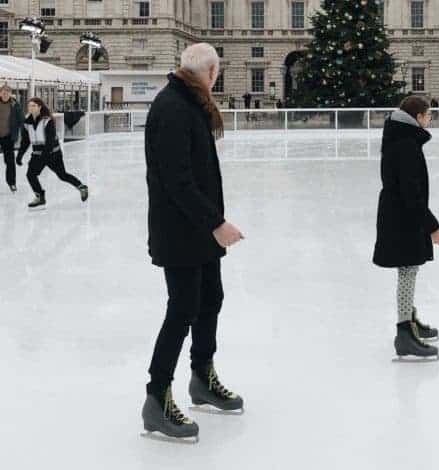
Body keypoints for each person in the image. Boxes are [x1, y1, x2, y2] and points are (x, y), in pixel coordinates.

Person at [142, 43, 246, 442]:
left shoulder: (190, 102)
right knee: (183, 308)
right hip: (180, 230)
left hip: (197, 229)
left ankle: (202, 377)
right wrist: (216, 222)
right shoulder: (172, 108)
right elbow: (177, 180)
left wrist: (212, 223)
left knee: (210, 299)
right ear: (213, 72)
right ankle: (156, 398)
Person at [373, 96, 439, 361]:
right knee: (407, 271)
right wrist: (433, 226)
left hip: (400, 214)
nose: (429, 121)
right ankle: (404, 333)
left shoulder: (402, 138)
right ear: (417, 118)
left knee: (409, 269)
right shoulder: (406, 144)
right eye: (428, 116)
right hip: (402, 217)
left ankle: (410, 320)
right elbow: (411, 193)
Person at [15, 98, 88, 209]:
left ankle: (81, 187)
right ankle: (39, 196)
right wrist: (20, 155)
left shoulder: (47, 121)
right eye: (30, 106)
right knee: (30, 175)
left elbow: (50, 141)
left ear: (39, 107)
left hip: (53, 154)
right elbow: (25, 141)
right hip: (38, 153)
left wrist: (43, 157)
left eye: (34, 105)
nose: (31, 108)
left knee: (62, 175)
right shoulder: (27, 123)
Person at [0, 85, 25, 193]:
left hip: (8, 136)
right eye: (3, 93)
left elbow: (22, 120)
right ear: (0, 93)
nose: (5, 95)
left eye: (7, 93)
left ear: (10, 94)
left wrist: (24, 135)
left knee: (10, 161)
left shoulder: (15, 105)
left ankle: (12, 183)